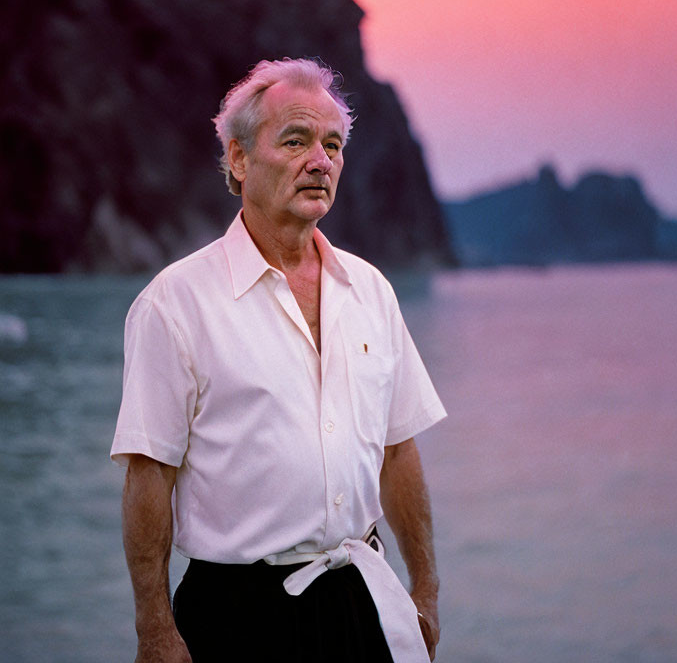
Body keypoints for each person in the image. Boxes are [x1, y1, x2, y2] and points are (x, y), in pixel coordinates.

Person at [111, 57, 446, 662]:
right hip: (235, 611)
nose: (320, 161)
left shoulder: (371, 290)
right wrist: (155, 630)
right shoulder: (175, 302)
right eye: (296, 141)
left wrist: (424, 588)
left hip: (364, 595)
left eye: (333, 145)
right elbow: (148, 475)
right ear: (238, 161)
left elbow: (399, 450)